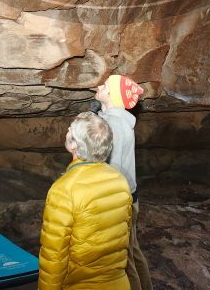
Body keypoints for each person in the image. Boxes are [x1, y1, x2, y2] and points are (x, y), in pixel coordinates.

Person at [38, 112, 132, 290]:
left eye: (70, 130)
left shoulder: (64, 190)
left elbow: (54, 256)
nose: (67, 129)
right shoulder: (119, 180)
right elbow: (122, 237)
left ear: (74, 145)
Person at [94, 75, 152, 290]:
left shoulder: (113, 125)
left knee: (122, 260)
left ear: (112, 96)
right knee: (132, 250)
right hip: (129, 197)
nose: (100, 86)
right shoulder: (118, 120)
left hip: (118, 201)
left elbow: (112, 170)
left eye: (105, 86)